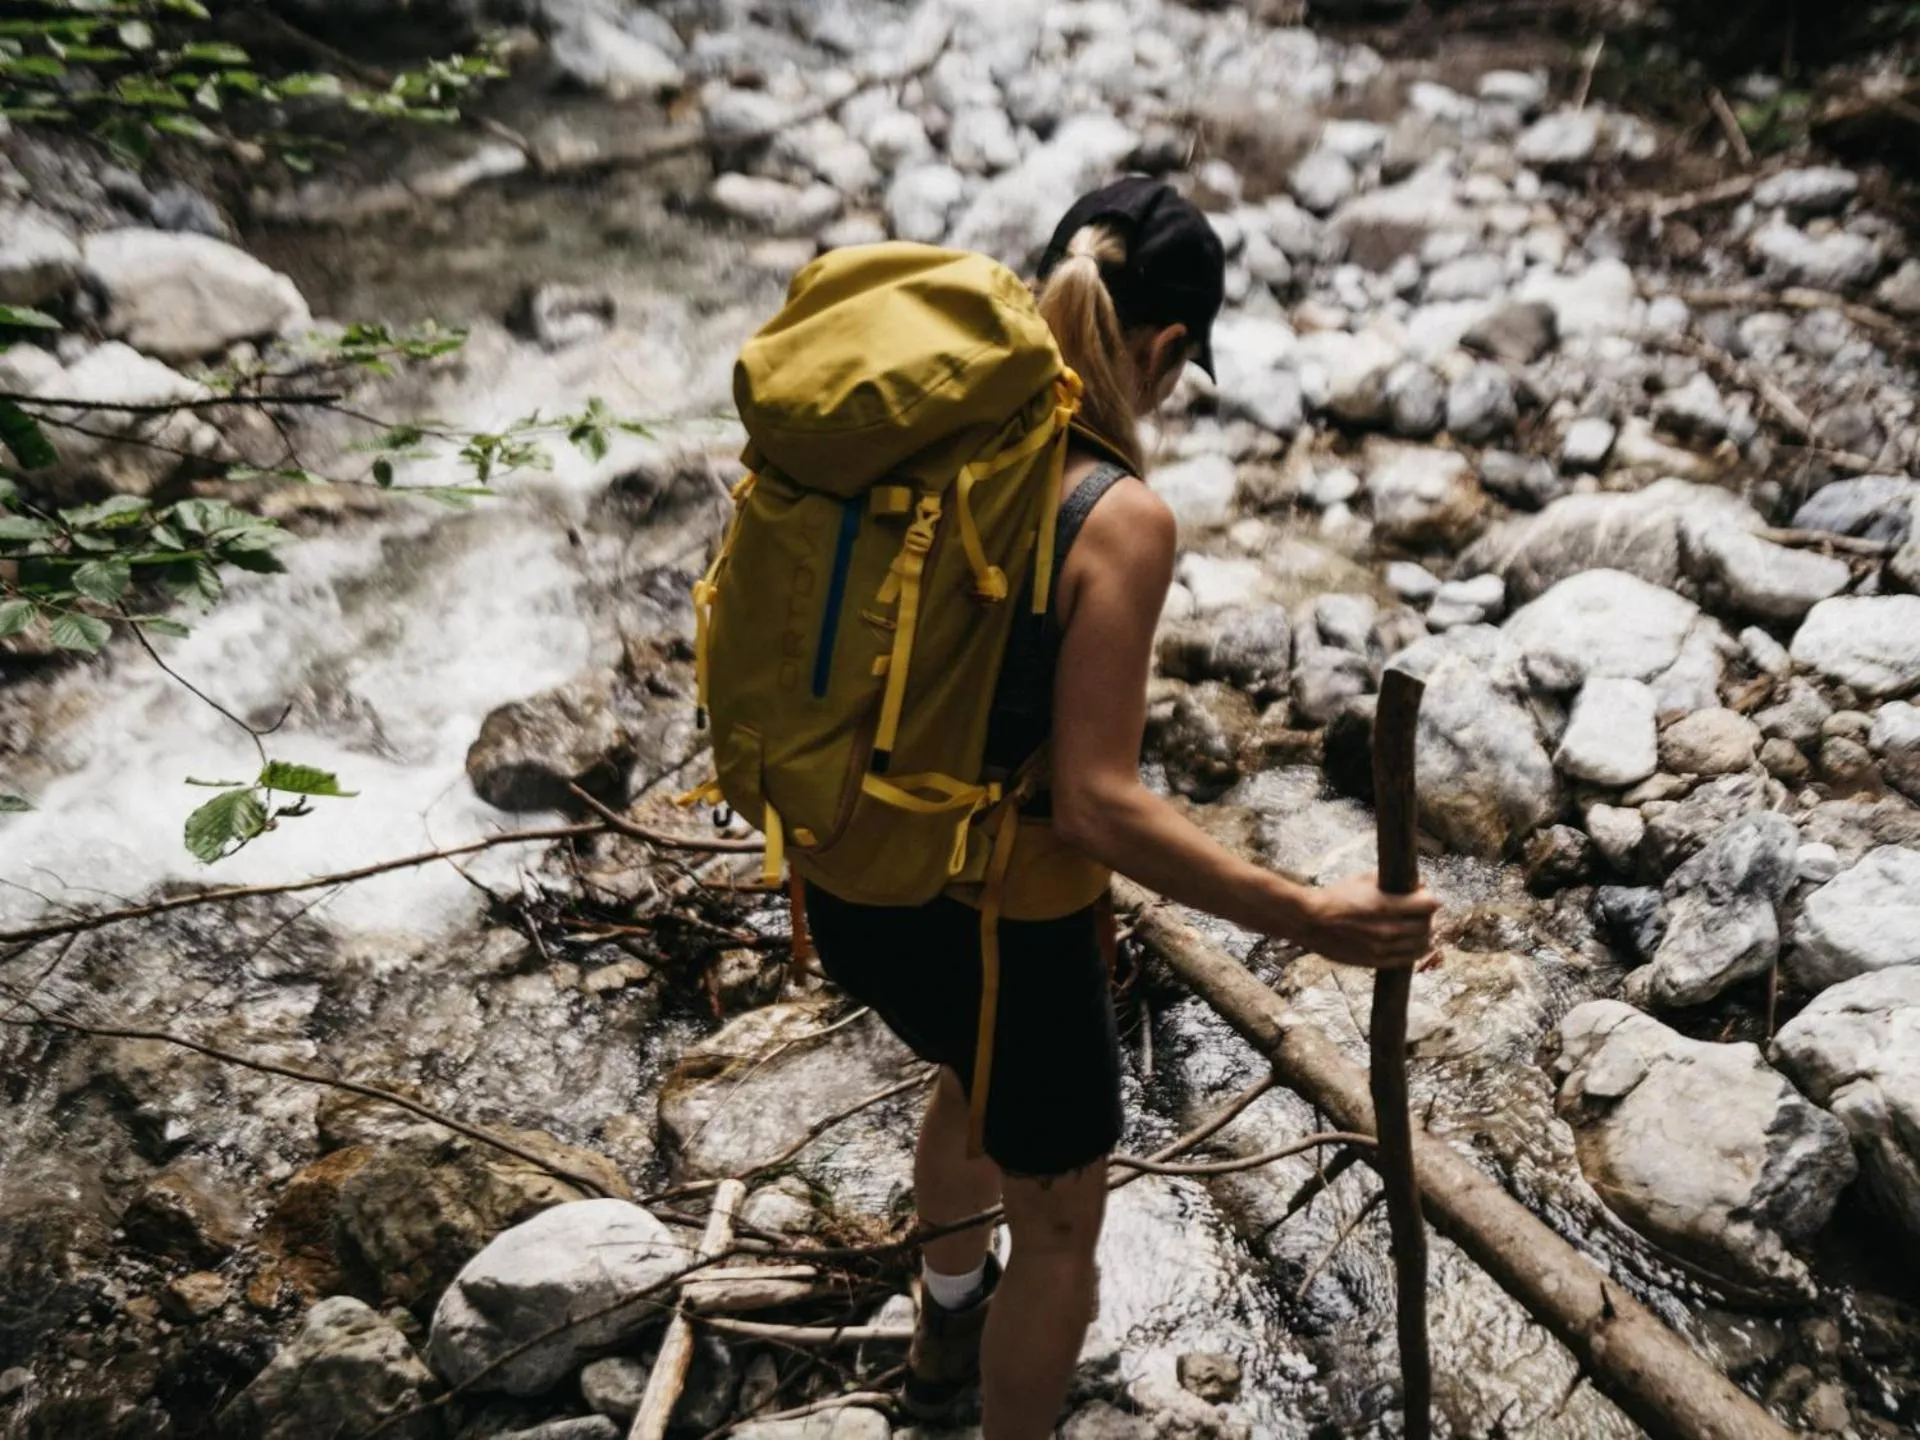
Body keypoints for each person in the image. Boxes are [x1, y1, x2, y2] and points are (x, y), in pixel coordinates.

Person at [801, 178, 1441, 1440]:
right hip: (1001, 932)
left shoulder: (916, 435)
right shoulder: (1117, 515)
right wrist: (1310, 911)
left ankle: (943, 1331)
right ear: (1162, 350)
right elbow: (1094, 808)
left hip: (851, 878)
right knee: (1060, 1236)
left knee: (963, 1077)